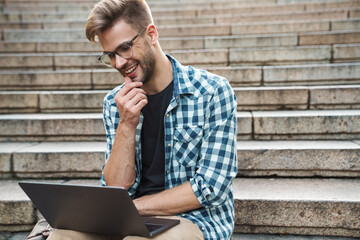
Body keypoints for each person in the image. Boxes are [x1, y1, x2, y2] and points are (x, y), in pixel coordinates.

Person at [48, 0, 238, 239]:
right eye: (110, 55)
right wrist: (126, 124)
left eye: (125, 48)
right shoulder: (114, 103)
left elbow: (210, 187)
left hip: (194, 219)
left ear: (151, 34)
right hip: (126, 219)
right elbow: (115, 188)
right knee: (61, 235)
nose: (119, 63)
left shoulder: (212, 92)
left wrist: (129, 208)